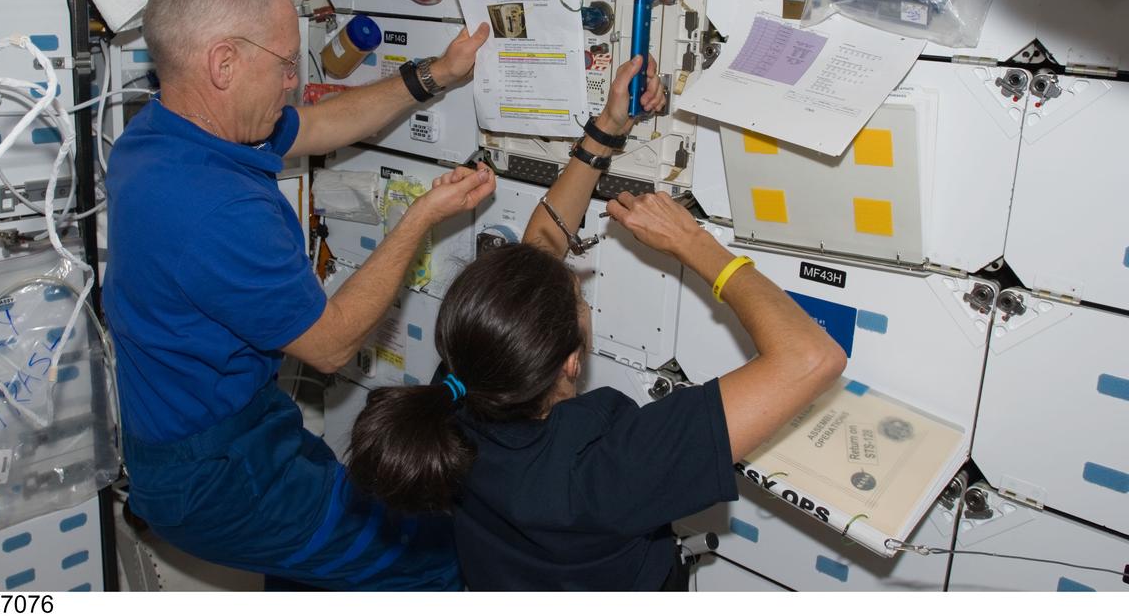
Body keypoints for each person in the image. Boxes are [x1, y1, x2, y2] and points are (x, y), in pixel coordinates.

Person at [347, 55, 848, 591]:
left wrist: (608, 127)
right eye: (579, 298)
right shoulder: (606, 469)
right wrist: (695, 244)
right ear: (571, 361)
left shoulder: (461, 387)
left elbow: (541, 246)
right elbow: (812, 357)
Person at [103, 0, 496, 590]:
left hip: (229, 433)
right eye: (286, 63)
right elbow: (332, 345)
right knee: (441, 558)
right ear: (223, 64)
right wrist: (420, 218)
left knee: (317, 565)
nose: (293, 81)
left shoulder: (159, 135)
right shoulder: (216, 209)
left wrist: (435, 74)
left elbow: (317, 125)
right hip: (218, 476)